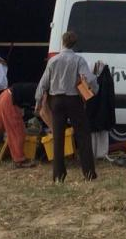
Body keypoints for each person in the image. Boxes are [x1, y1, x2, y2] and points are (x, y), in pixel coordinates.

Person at [35, 31, 98, 182]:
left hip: (56, 101)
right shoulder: (78, 60)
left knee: (58, 137)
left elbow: (43, 83)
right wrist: (95, 89)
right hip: (73, 100)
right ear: (74, 43)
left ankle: (58, 175)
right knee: (83, 135)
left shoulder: (53, 61)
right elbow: (89, 78)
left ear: (62, 42)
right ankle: (89, 173)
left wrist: (38, 102)